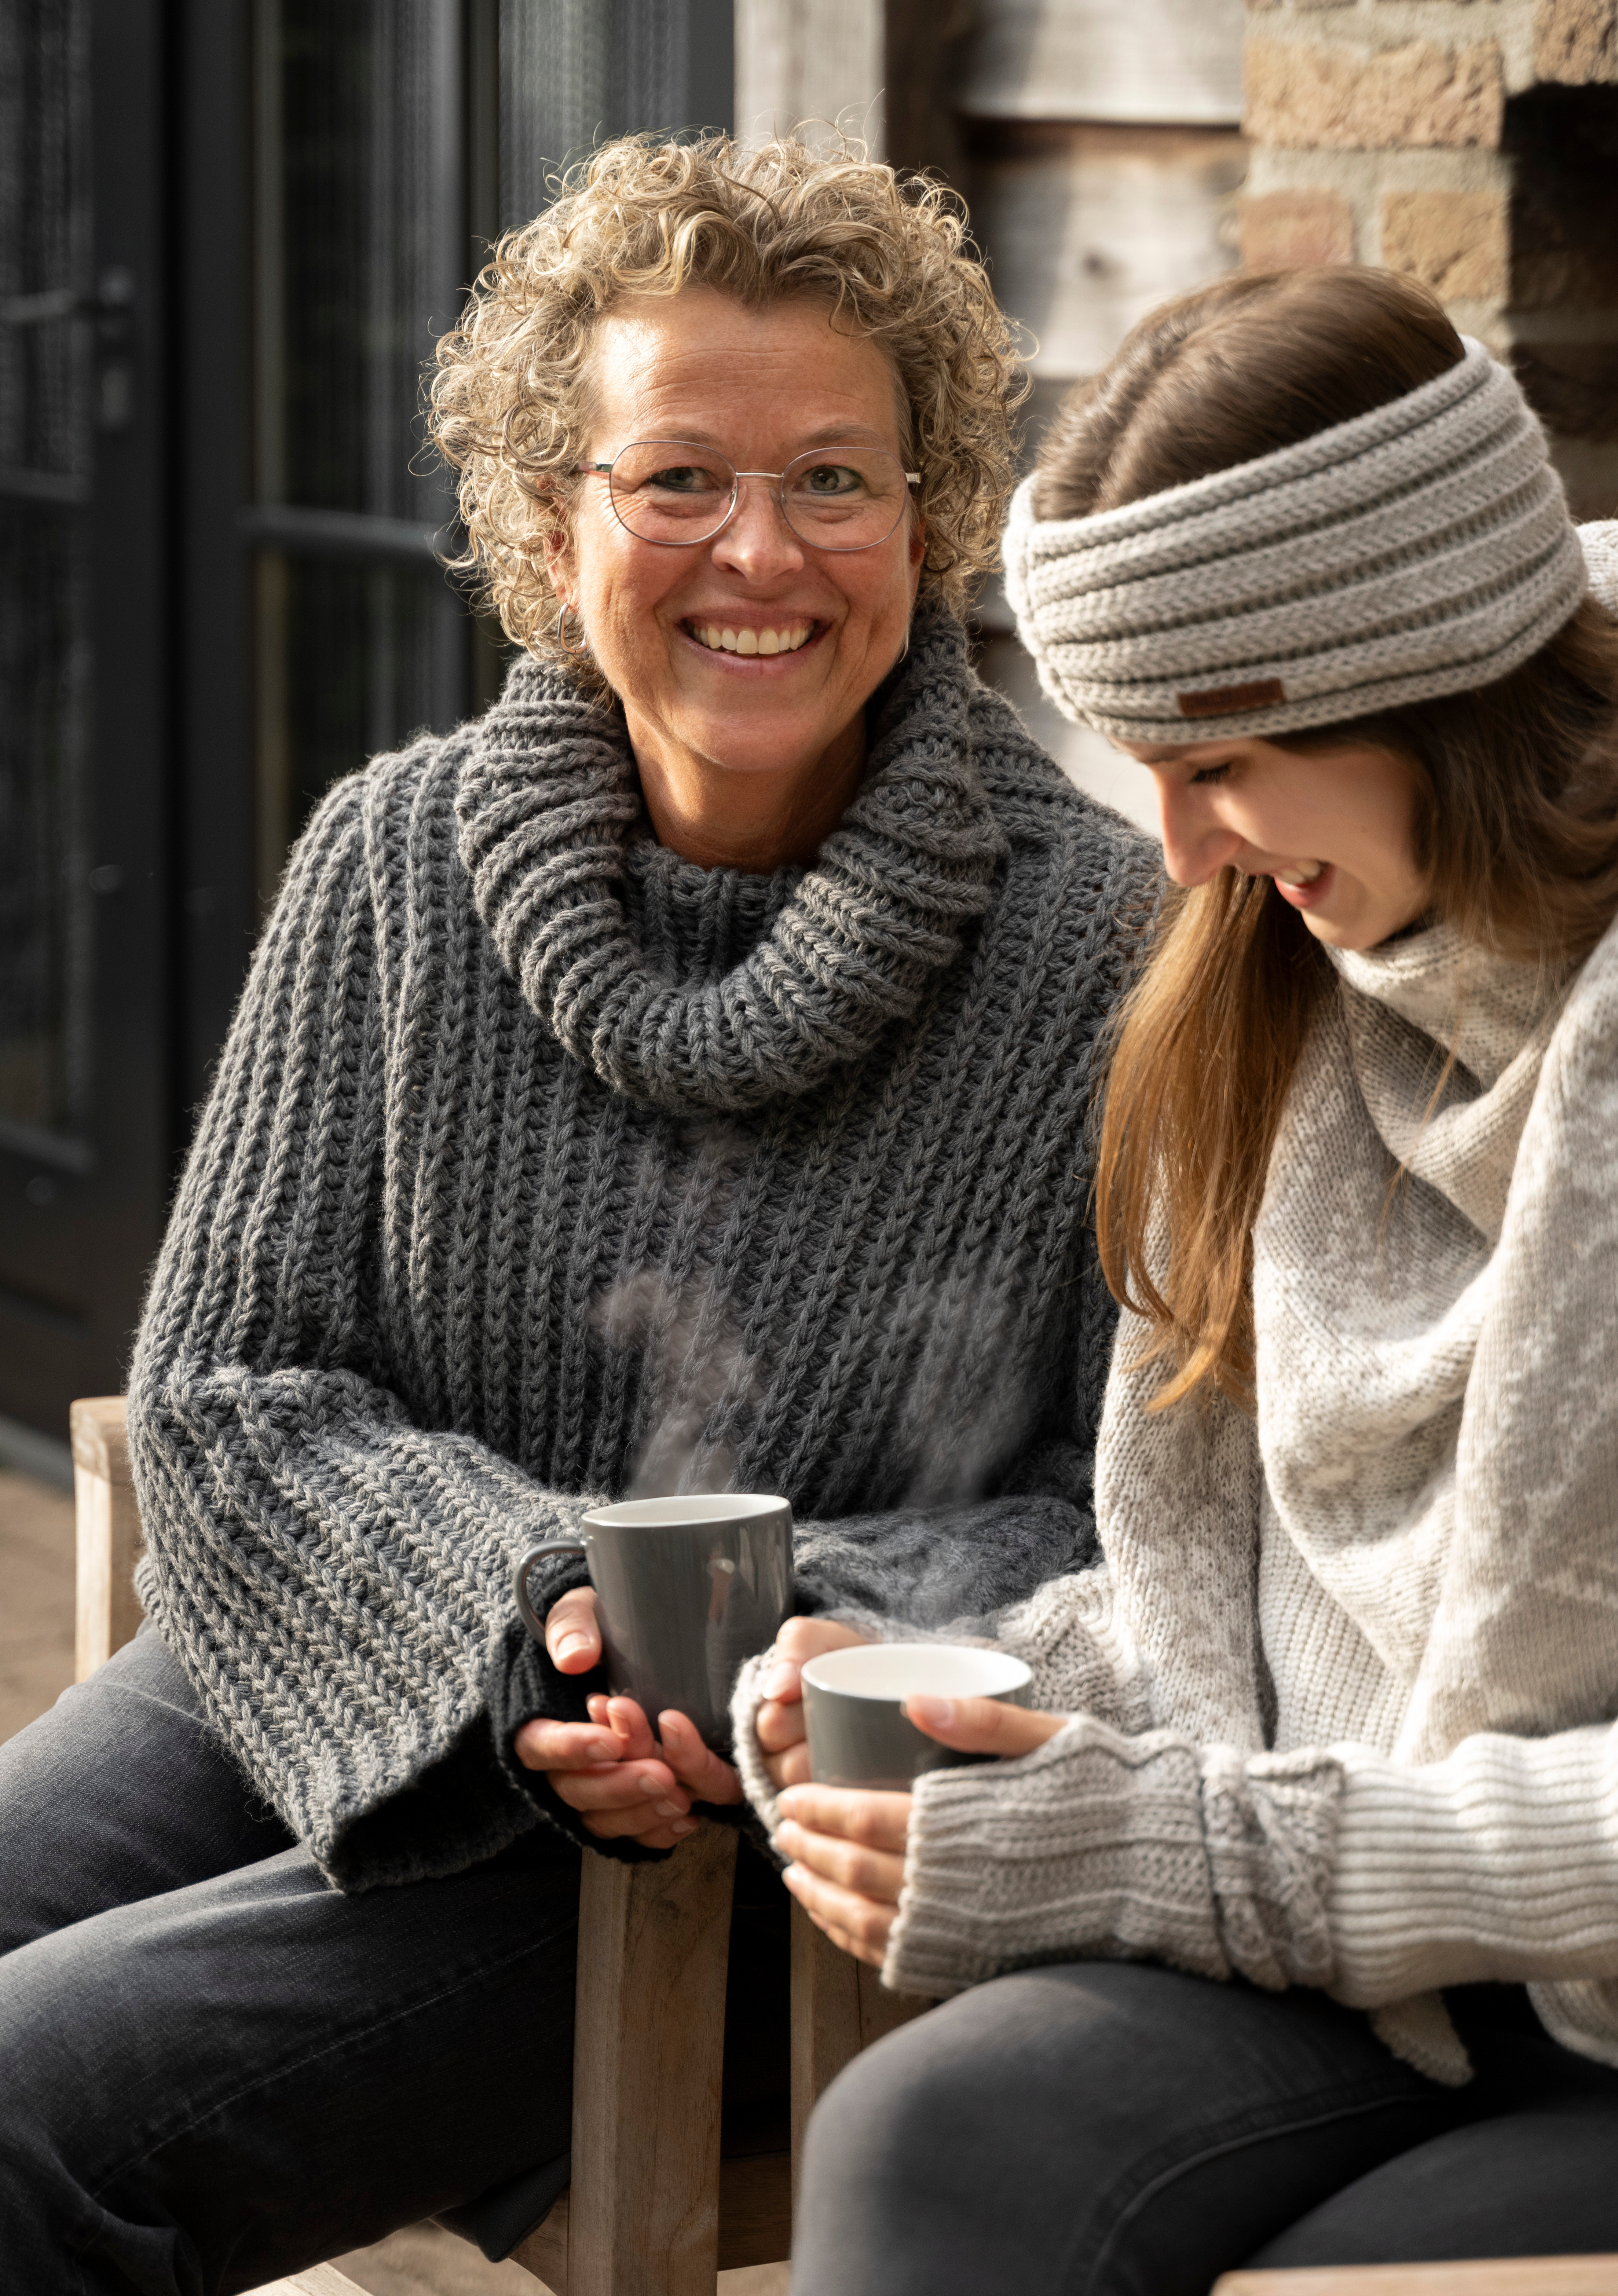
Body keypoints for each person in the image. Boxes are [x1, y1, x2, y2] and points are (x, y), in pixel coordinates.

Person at [0, 137, 1158, 2285]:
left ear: (929, 520)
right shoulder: (391, 862)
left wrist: (731, 1652)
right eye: (677, 479)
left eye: (834, 479)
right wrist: (534, 1618)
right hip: (344, 1654)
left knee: (24, 2105)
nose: (762, 551)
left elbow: (1136, 1522)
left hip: (758, 1832)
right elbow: (230, 1394)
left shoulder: (1106, 949)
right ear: (553, 523)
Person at [734, 266, 1618, 2293]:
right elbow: (1230, 1610)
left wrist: (1188, 1853)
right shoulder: (1300, 983)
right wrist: (977, 1694)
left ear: (1426, 675)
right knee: (933, 2137)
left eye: (1218, 760)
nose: (1183, 852)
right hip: (1378, 1938)